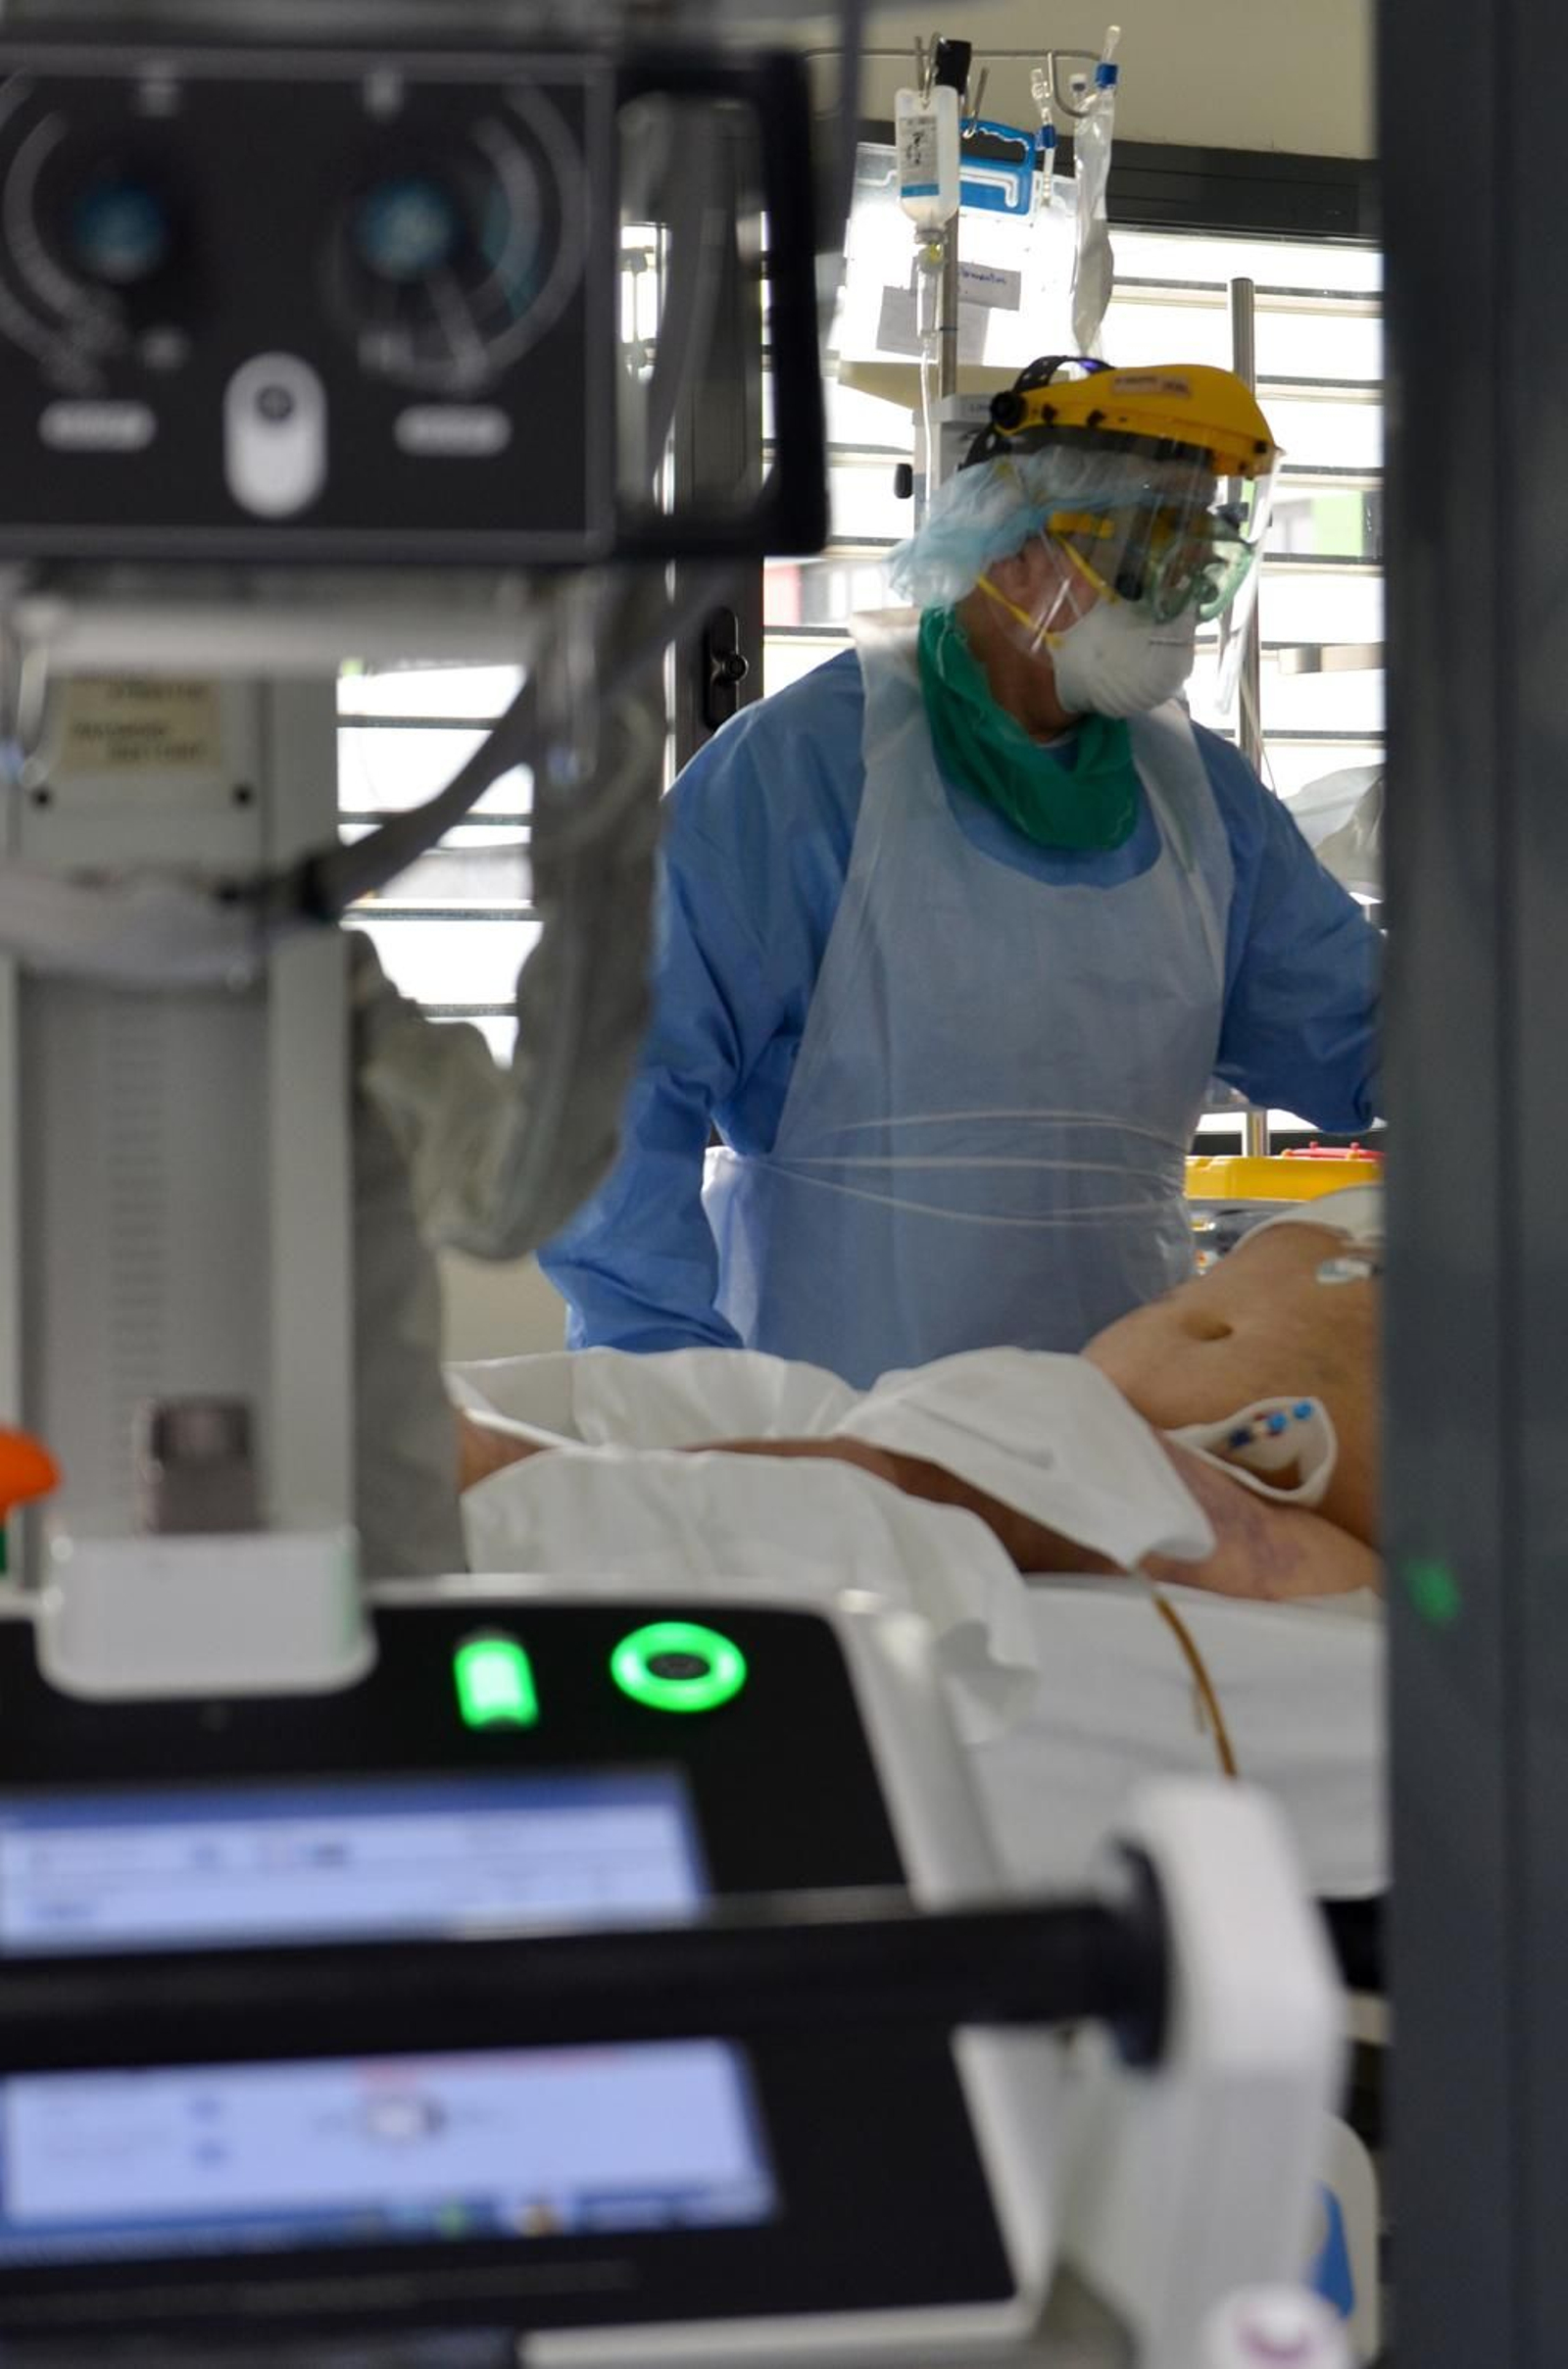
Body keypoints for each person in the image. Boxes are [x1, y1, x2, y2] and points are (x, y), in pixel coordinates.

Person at [539, 358, 1383, 1387]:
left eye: (1196, 560)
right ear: (1009, 551)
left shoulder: (1205, 803)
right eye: (1138, 552)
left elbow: (1371, 1034)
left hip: (1124, 1432)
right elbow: (613, 1087)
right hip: (838, 1424)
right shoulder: (803, 771)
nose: (1174, 601)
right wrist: (666, 1379)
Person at [463, 1188, 1383, 1605]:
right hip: (1094, 1414)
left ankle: (517, 1487)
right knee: (720, 1398)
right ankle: (432, 1438)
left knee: (915, 1486)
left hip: (1272, 1522)